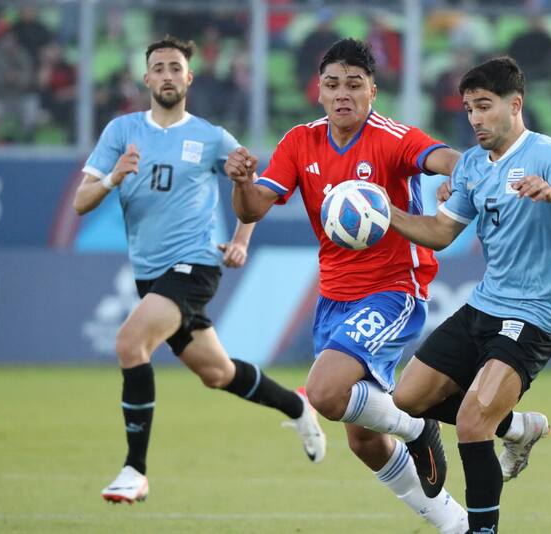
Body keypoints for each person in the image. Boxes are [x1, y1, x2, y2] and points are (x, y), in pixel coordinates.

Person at [225, 38, 534, 533]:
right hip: (334, 297)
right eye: (331, 85)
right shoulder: (298, 143)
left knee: (325, 393)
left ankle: (416, 425)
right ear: (319, 92)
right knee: (364, 441)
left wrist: (458, 177)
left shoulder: (391, 137)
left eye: (353, 84)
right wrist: (242, 183)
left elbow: (447, 158)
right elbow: (253, 208)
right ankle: (453, 523)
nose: (342, 94)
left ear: (373, 90)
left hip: (394, 289)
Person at [71, 36, 326, 505]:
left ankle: (135, 470)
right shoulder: (121, 132)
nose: (167, 74)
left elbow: (254, 189)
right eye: (159, 68)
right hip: (150, 274)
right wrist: (112, 178)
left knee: (131, 342)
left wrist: (241, 242)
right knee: (217, 372)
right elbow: (81, 202)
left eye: (175, 67)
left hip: (195, 264)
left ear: (189, 78)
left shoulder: (210, 137)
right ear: (146, 78)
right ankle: (297, 404)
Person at [387, 56, 551, 533]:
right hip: (484, 305)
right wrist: (384, 213)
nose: (474, 119)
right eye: (468, 109)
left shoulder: (544, 153)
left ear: (515, 105)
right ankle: (518, 428)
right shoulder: (470, 166)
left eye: (484, 106)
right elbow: (441, 233)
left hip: (532, 315)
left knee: (471, 424)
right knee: (406, 400)